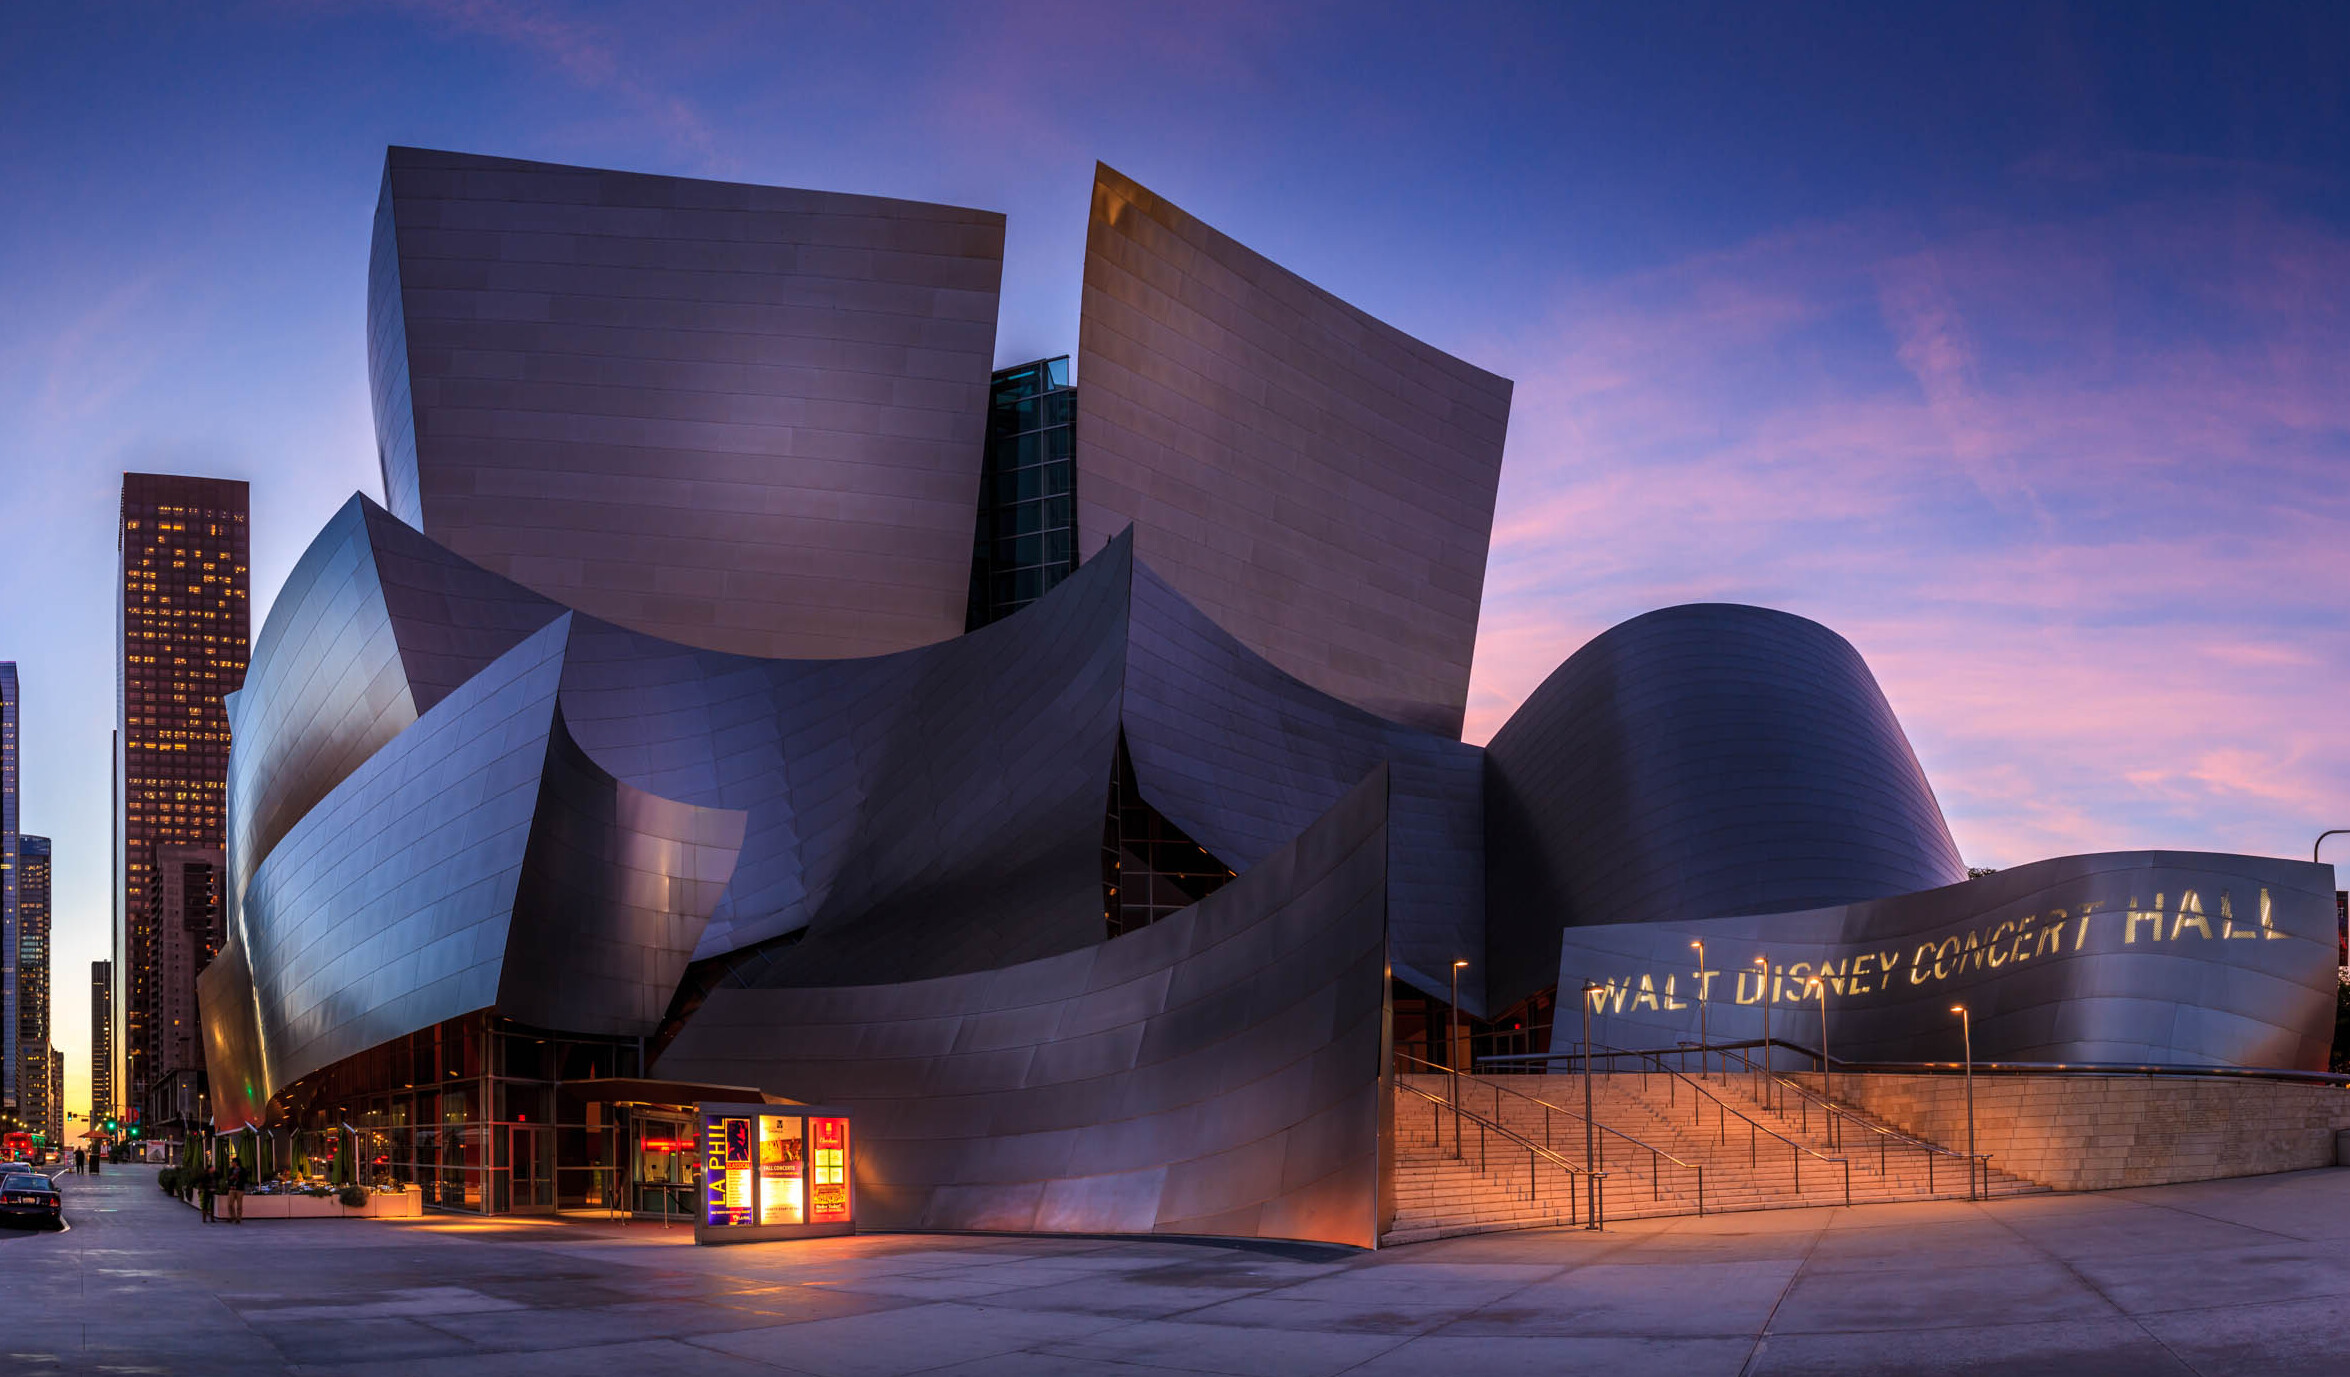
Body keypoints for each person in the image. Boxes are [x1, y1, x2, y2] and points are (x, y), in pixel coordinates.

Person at [223, 1157, 246, 1224]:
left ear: (236, 1163)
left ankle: (238, 1218)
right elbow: (228, 1178)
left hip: (239, 1189)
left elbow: (244, 1178)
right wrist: (230, 1179)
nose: (231, 1163)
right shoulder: (231, 1170)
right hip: (232, 1188)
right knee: (230, 1204)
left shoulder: (242, 1170)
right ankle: (232, 1216)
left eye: (232, 1162)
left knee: (239, 1205)